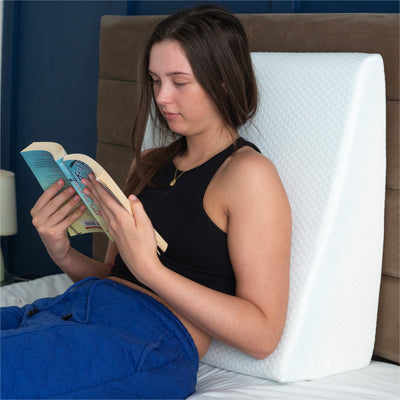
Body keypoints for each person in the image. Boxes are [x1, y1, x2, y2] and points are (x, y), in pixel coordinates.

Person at [1, 5, 291, 399]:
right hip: (70, 310)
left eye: (179, 82)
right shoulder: (149, 163)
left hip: (146, 343)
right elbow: (114, 275)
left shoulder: (248, 175)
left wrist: (151, 270)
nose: (162, 97)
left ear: (223, 82)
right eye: (155, 81)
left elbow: (263, 334)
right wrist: (62, 252)